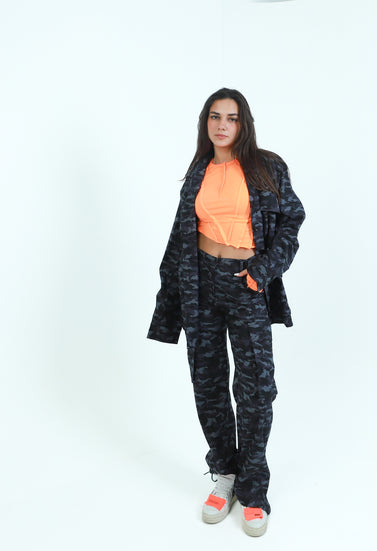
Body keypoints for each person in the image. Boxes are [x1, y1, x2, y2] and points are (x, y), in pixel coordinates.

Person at [147, 88, 305, 537]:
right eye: (215, 117)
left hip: (246, 282)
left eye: (231, 118)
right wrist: (169, 299)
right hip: (200, 284)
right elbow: (179, 236)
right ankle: (225, 473)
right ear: (206, 122)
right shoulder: (198, 171)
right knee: (208, 384)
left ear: (243, 124)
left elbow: (292, 220)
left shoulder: (267, 167)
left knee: (257, 387)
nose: (222, 125)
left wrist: (263, 270)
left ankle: (254, 489)